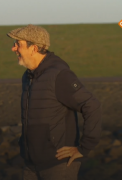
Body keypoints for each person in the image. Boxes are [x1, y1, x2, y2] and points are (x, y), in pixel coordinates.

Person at [7, 24, 102, 180]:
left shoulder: (59, 75)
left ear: (34, 48)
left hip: (58, 166)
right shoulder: (28, 76)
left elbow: (92, 105)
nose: (13, 48)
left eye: (18, 44)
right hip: (30, 164)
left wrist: (84, 148)